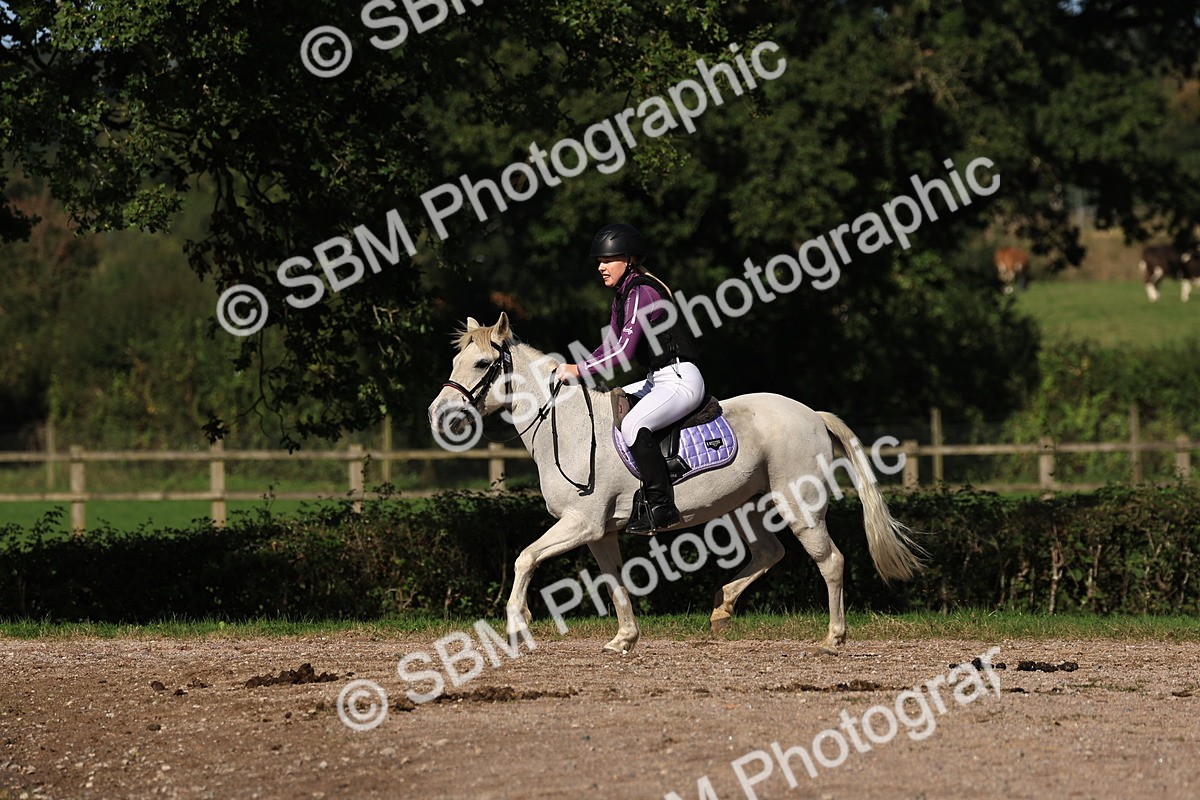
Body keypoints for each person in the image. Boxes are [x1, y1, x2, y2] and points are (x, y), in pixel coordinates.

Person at [555, 223, 705, 534]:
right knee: (610, 404)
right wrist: (579, 367)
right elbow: (608, 346)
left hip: (680, 379)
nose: (601, 267)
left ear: (630, 260)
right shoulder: (622, 296)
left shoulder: (642, 291)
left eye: (608, 260)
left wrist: (578, 370)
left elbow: (622, 353)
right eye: (599, 261)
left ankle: (661, 504)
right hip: (658, 379)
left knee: (634, 423)